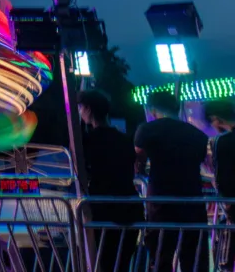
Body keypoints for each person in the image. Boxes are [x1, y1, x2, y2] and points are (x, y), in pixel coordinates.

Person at [135, 90, 209, 272]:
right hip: (193, 204)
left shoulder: (147, 129)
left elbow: (138, 161)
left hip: (161, 204)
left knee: (160, 257)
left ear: (152, 110)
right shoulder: (197, 135)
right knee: (193, 259)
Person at [78, 89, 142, 272]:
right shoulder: (124, 139)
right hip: (130, 207)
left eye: (80, 108)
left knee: (103, 262)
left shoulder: (88, 142)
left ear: (88, 109)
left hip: (103, 209)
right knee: (121, 263)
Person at [205, 100, 235, 271]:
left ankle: (225, 266)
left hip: (231, 199)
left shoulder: (221, 141)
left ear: (216, 118)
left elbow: (221, 174)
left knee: (227, 235)